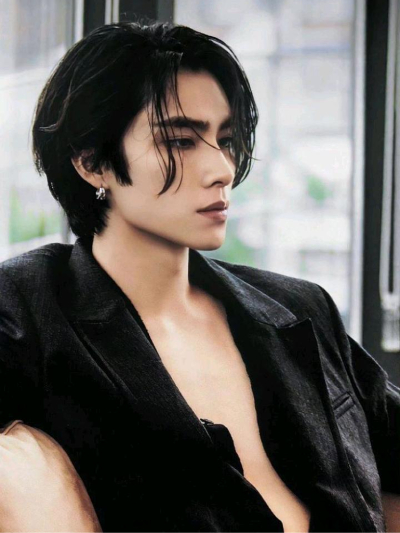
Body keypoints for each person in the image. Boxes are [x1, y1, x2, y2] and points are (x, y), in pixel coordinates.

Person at [0, 19, 399, 533]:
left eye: (225, 139)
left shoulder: (300, 307)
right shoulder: (30, 309)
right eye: (181, 141)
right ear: (92, 162)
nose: (223, 170)